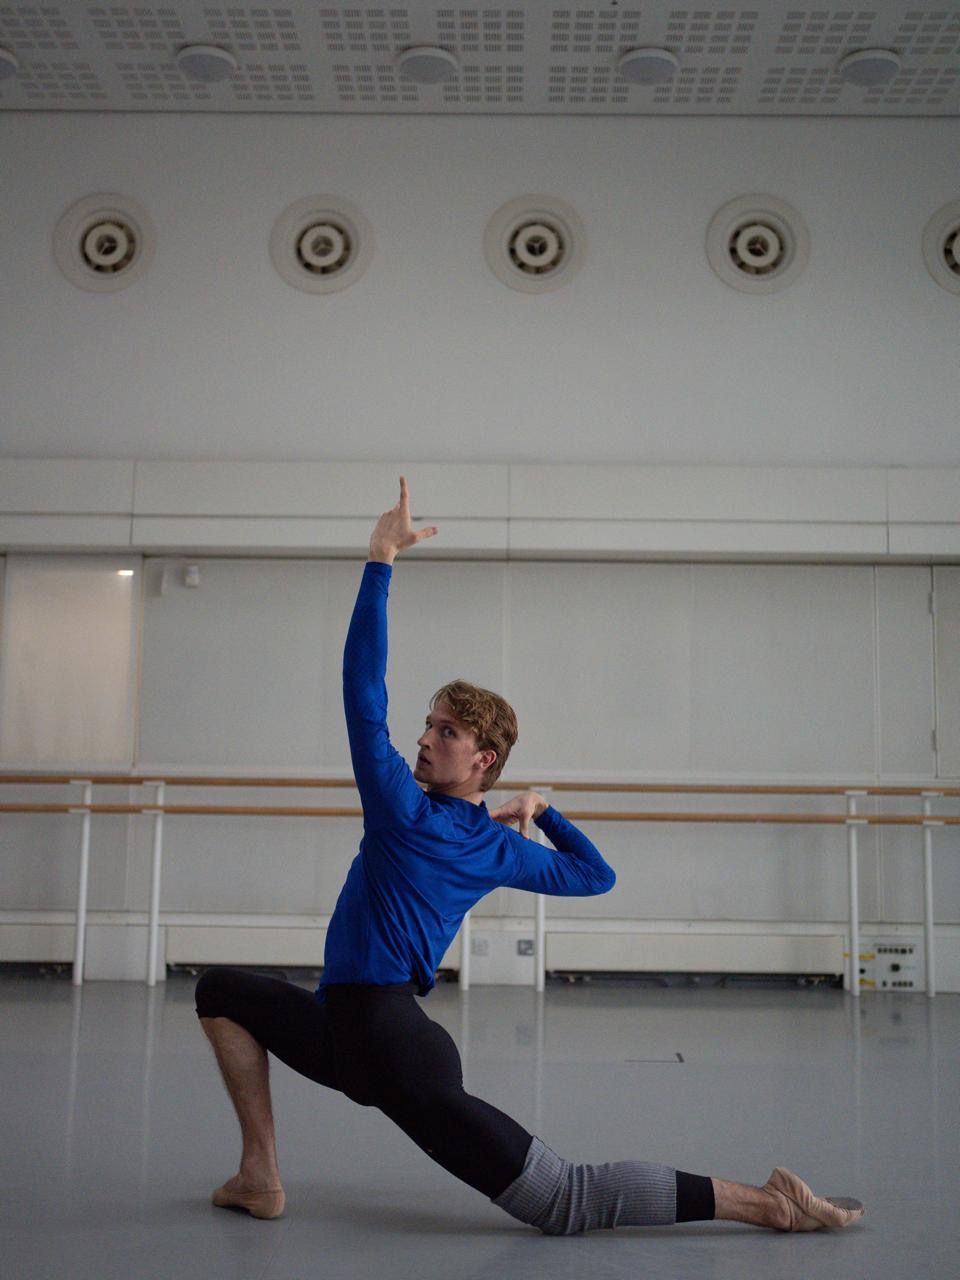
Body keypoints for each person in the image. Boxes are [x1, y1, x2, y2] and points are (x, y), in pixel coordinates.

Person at [195, 477, 864, 1235]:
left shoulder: (403, 812)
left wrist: (381, 560)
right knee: (220, 990)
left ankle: (766, 1201)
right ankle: (259, 1175)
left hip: (387, 1049)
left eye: (444, 732)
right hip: (348, 1033)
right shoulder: (493, 846)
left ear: (483, 760)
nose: (422, 738)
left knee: (567, 1202)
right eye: (427, 724)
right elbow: (593, 873)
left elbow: (360, 689)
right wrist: (545, 815)